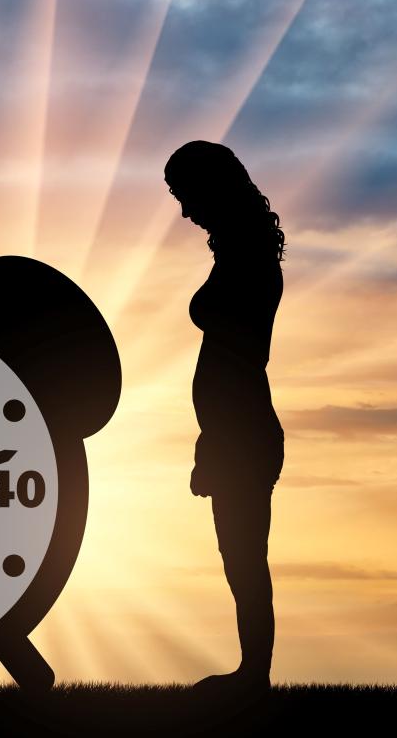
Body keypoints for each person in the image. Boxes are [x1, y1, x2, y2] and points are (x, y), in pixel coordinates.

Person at [164, 140, 285, 702]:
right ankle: (251, 672)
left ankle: (254, 677)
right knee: (239, 556)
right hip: (233, 429)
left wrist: (214, 445)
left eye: (186, 196)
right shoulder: (242, 252)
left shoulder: (248, 257)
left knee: (243, 557)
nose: (186, 212)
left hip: (242, 429)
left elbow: (237, 360)